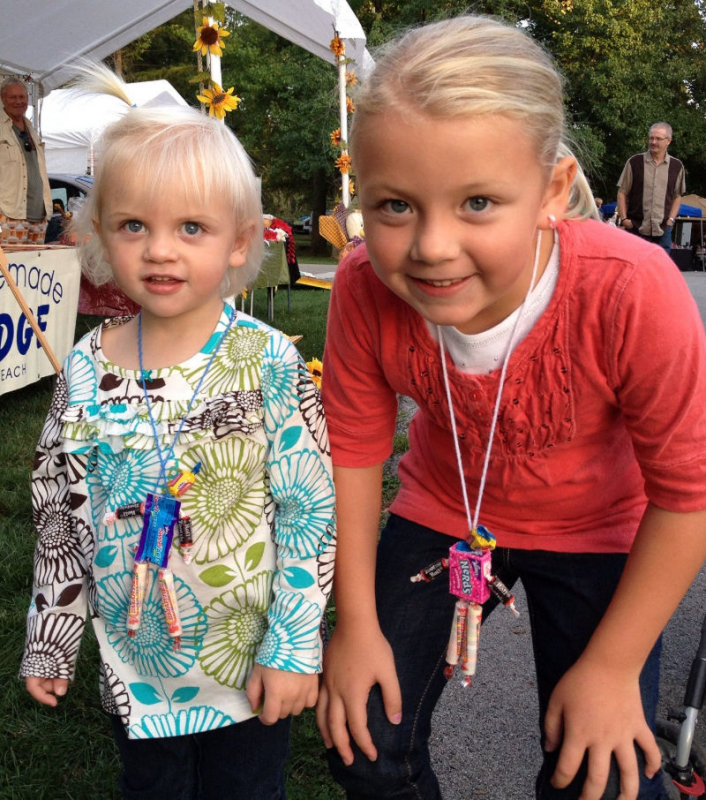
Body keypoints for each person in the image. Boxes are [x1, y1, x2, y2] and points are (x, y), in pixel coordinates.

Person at [316, 15, 706, 800]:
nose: (430, 246)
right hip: (445, 507)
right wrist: (355, 626)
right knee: (364, 738)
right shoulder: (363, 286)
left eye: (479, 202)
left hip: (603, 530)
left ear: (553, 191)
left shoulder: (632, 289)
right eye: (394, 206)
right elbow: (353, 453)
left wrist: (613, 667)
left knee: (602, 774)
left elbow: (690, 492)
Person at [20, 73, 336, 800]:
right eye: (135, 226)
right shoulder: (86, 367)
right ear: (100, 236)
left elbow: (309, 515)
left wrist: (293, 646)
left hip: (247, 664)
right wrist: (52, 634)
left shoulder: (269, 362)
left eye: (190, 228)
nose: (160, 250)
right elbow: (59, 512)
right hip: (138, 664)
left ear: (238, 242)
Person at [617, 123, 685, 253]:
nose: (653, 142)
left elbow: (677, 196)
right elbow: (622, 192)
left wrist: (671, 220)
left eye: (658, 139)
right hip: (636, 227)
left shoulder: (677, 166)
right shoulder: (634, 162)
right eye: (651, 138)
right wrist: (624, 219)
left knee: (661, 270)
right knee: (635, 269)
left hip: (663, 229)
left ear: (668, 141)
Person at [0, 77, 52, 245]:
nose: (18, 101)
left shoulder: (30, 127)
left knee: (36, 270)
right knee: (9, 269)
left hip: (39, 215)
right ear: (2, 99)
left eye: (22, 97)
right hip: (10, 215)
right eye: (12, 97)